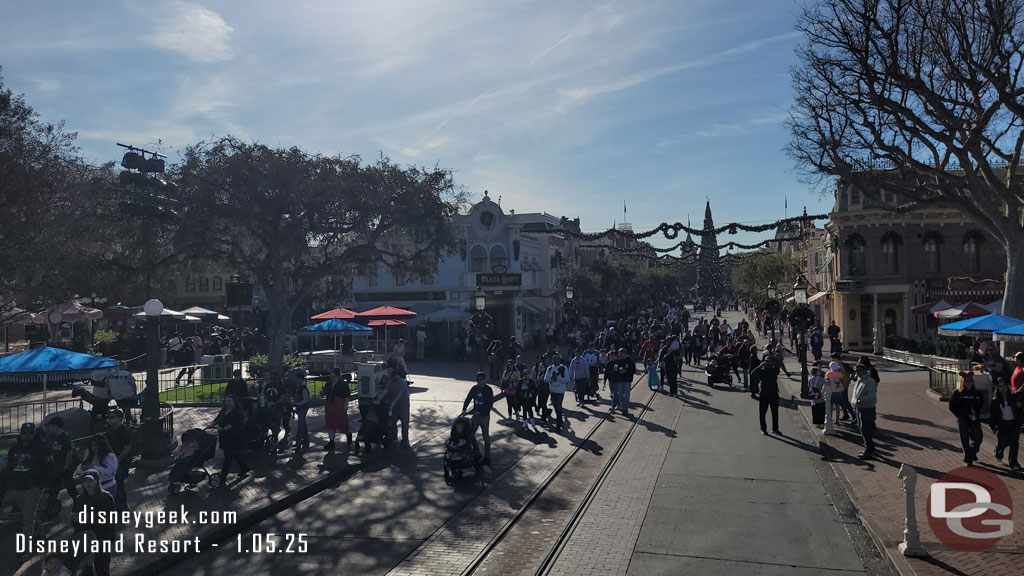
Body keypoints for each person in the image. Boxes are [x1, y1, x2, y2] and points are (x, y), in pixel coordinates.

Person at [0, 423, 52, 552]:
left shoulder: (41, 449)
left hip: (33, 488)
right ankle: (41, 533)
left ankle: (24, 549)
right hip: (16, 488)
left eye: (30, 433)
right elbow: (9, 468)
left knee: (28, 519)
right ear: (21, 434)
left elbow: (49, 469)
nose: (27, 436)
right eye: (24, 433)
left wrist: (43, 487)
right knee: (29, 512)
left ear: (34, 434)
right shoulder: (14, 449)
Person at [73, 469, 115, 576]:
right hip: (86, 541)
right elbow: (75, 523)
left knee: (103, 570)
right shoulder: (79, 500)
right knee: (86, 571)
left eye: (91, 480)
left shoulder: (106, 497)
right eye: (85, 481)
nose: (88, 484)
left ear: (97, 481)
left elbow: (111, 520)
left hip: (102, 538)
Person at [42, 417, 76, 518]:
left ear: (55, 426)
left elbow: (69, 453)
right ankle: (49, 510)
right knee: (54, 490)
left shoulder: (65, 437)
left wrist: (66, 467)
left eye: (51, 426)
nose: (49, 429)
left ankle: (81, 505)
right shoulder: (53, 437)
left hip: (65, 469)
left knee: (71, 489)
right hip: (56, 469)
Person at [212, 394, 251, 482]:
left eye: (229, 401)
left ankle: (222, 477)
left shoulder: (238, 412)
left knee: (228, 457)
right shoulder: (224, 410)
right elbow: (217, 419)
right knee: (233, 453)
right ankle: (244, 467)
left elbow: (234, 424)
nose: (227, 403)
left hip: (234, 437)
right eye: (226, 401)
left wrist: (223, 428)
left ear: (234, 402)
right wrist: (211, 424)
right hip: (224, 436)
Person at [949, 371, 984, 465]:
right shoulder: (957, 393)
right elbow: (952, 406)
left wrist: (976, 414)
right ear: (962, 382)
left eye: (970, 380)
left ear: (973, 382)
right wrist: (960, 414)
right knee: (964, 438)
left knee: (978, 438)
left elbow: (981, 405)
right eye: (966, 381)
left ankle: (972, 452)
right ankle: (968, 458)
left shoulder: (978, 393)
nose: (968, 382)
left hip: (974, 419)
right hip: (963, 419)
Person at [990, 377, 1022, 471]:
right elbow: (992, 415)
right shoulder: (995, 401)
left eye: (1004, 386)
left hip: (1013, 423)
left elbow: (1019, 409)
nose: (1002, 388)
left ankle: (1013, 462)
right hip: (1002, 424)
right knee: (1003, 441)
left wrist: (1019, 408)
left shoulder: (1013, 397)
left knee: (1014, 443)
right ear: (997, 388)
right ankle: (998, 450)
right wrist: (993, 426)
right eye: (1000, 386)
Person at [462, 372, 494, 465]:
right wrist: (464, 409)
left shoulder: (488, 390)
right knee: (470, 434)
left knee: (485, 435)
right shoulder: (474, 389)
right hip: (475, 416)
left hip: (484, 416)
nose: (478, 382)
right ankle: (477, 453)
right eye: (477, 380)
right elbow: (468, 398)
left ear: (484, 380)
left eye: (480, 380)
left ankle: (487, 457)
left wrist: (480, 412)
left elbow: (489, 404)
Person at [104, 409, 133, 511]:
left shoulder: (124, 430)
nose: (109, 420)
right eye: (109, 418)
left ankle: (122, 506)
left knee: (119, 482)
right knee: (115, 482)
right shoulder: (109, 430)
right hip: (112, 460)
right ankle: (115, 504)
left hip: (122, 461)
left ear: (120, 418)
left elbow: (127, 447)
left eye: (112, 417)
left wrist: (118, 459)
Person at [851, 363, 878, 459]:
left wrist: (860, 401)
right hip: (859, 408)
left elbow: (871, 396)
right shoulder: (860, 380)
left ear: (863, 371)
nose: (856, 373)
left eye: (858, 371)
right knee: (862, 429)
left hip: (866, 408)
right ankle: (871, 448)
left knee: (866, 429)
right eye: (856, 371)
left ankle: (869, 450)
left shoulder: (870, 381)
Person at [751, 352, 782, 435]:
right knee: (762, 413)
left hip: (773, 393)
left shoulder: (774, 370)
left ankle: (775, 429)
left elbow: (778, 364)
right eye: (766, 362)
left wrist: (773, 357)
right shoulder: (761, 371)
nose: (767, 364)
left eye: (769, 362)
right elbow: (753, 374)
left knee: (775, 413)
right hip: (764, 394)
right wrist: (760, 366)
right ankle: (763, 429)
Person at [323, 369, 352, 452]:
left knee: (341, 422)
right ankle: (331, 441)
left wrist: (346, 405)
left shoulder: (343, 384)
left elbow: (347, 395)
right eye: (331, 376)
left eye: (334, 376)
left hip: (339, 404)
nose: (332, 378)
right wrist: (323, 392)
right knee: (330, 422)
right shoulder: (329, 383)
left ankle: (347, 434)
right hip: (329, 404)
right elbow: (325, 391)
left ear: (338, 376)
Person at [292, 372, 312, 453]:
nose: (295, 380)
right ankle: (306, 441)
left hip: (302, 407)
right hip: (301, 407)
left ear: (300, 379)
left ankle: (298, 442)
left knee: (300, 424)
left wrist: (296, 404)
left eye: (296, 379)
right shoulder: (300, 387)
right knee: (303, 424)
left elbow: (306, 399)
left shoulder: (303, 388)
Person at [548, 360, 570, 431]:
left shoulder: (563, 368)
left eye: (557, 359)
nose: (555, 361)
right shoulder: (550, 368)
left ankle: (558, 423)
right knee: (555, 406)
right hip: (552, 390)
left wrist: (558, 378)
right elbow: (546, 379)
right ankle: (559, 419)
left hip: (560, 391)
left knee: (559, 406)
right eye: (554, 359)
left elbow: (567, 379)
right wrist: (551, 379)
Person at [516, 365, 539, 431]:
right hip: (523, 398)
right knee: (524, 410)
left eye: (527, 374)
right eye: (524, 374)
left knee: (530, 409)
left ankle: (532, 421)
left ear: (529, 374)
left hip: (530, 398)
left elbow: (535, 390)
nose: (526, 375)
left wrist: (534, 396)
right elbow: (518, 390)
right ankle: (525, 421)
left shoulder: (531, 381)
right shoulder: (520, 382)